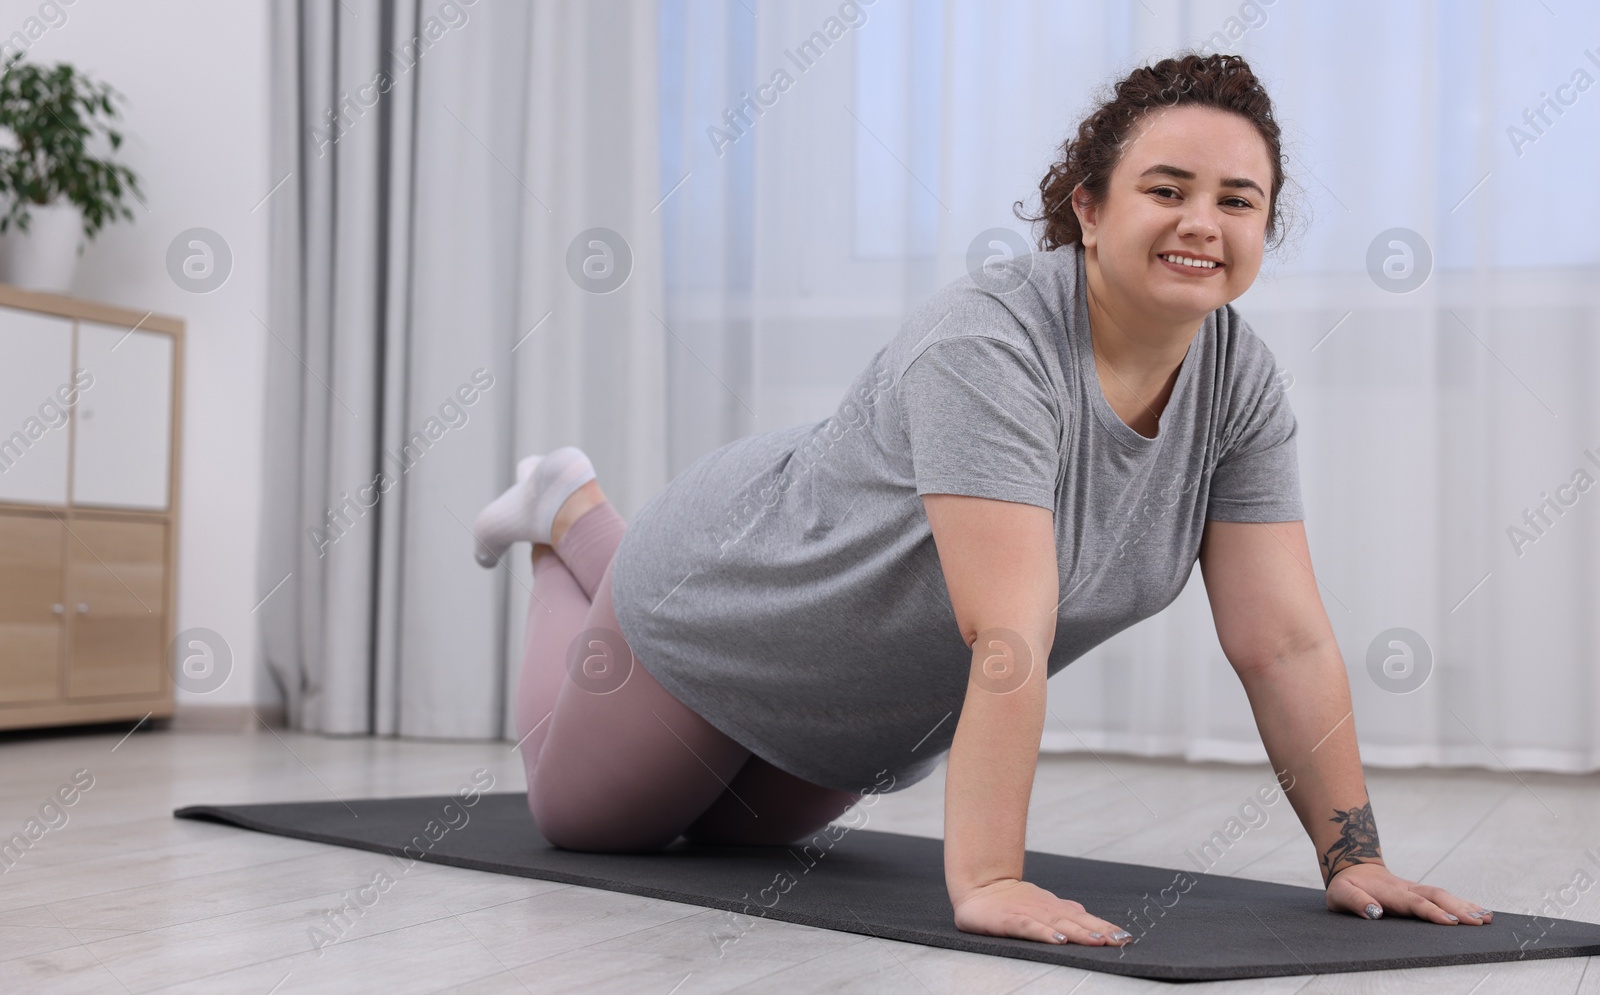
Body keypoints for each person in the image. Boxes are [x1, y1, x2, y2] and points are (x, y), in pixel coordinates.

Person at [472, 53, 1494, 948]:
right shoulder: (989, 345)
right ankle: (569, 514)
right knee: (596, 822)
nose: (1201, 222)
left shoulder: (1240, 380)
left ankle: (578, 510)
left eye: (1237, 199)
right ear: (1088, 209)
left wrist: (1348, 857)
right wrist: (990, 877)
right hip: (720, 601)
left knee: (747, 839)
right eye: (1167, 188)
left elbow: (1284, 642)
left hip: (858, 709)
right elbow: (1005, 629)